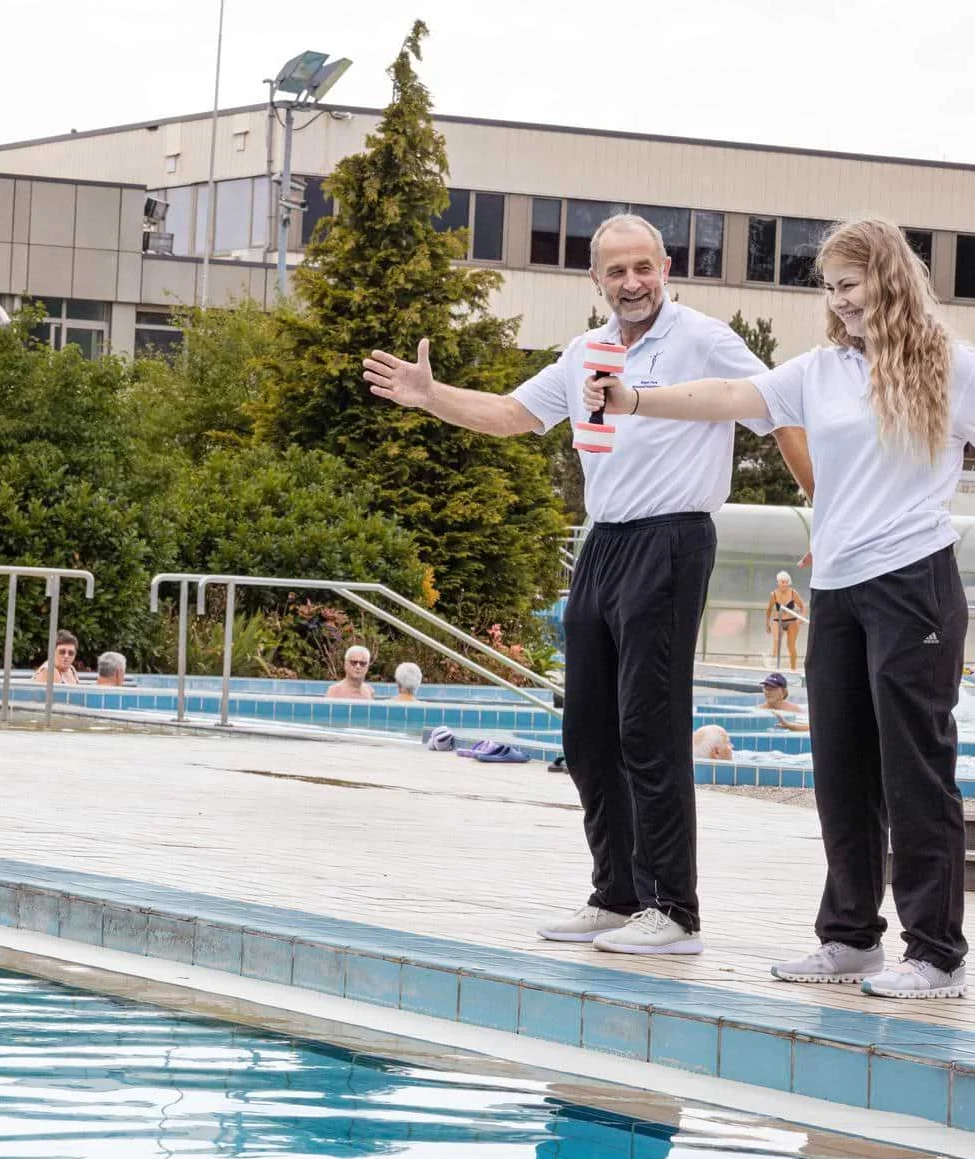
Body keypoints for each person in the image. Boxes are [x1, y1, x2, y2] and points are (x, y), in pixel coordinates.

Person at [364, 213, 812, 956]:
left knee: (649, 728)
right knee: (587, 732)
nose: (632, 282)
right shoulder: (585, 352)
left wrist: (818, 506)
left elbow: (779, 409)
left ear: (665, 267)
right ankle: (618, 895)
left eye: (644, 267)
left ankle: (675, 912)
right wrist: (429, 396)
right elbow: (513, 414)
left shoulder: (702, 338)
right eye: (617, 271)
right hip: (602, 543)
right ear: (596, 280)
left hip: (672, 538)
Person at [582, 217, 969, 997]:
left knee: (913, 770)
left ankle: (936, 953)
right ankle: (851, 938)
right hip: (839, 587)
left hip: (912, 581)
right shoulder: (820, 370)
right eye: (829, 288)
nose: (840, 302)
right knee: (841, 770)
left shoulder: (950, 366)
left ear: (889, 278)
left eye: (851, 285)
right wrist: (634, 397)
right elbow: (728, 393)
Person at [766, 570, 806, 670]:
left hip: (792, 621)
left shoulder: (793, 593)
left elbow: (803, 607)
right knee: (776, 641)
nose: (784, 584)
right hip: (778, 620)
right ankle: (773, 664)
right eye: (782, 582)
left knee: (791, 645)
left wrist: (801, 619)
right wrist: (767, 623)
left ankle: (793, 669)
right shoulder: (774, 594)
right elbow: (769, 609)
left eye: (786, 582)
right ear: (778, 582)